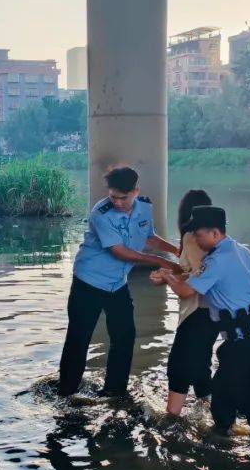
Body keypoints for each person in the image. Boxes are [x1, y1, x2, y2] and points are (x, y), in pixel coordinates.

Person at [157, 205, 250, 451]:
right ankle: (222, 436)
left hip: (244, 346)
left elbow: (185, 292)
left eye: (199, 235)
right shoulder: (242, 251)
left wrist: (167, 277)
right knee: (222, 397)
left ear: (215, 233)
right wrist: (176, 276)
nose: (196, 240)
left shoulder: (217, 260)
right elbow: (206, 281)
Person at [57, 166, 181, 399]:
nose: (117, 202)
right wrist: (162, 262)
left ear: (136, 191)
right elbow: (120, 252)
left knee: (125, 336)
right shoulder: (101, 213)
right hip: (89, 281)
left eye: (123, 198)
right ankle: (66, 393)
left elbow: (149, 237)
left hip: (117, 283)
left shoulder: (144, 207)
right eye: (113, 196)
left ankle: (114, 391)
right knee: (78, 338)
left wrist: (175, 249)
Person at [149, 189, 217, 416]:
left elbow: (195, 282)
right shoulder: (212, 238)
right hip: (214, 312)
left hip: (196, 311)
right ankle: (208, 411)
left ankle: (172, 418)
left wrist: (169, 278)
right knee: (201, 364)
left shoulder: (191, 237)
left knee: (178, 365)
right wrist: (171, 276)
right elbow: (197, 272)